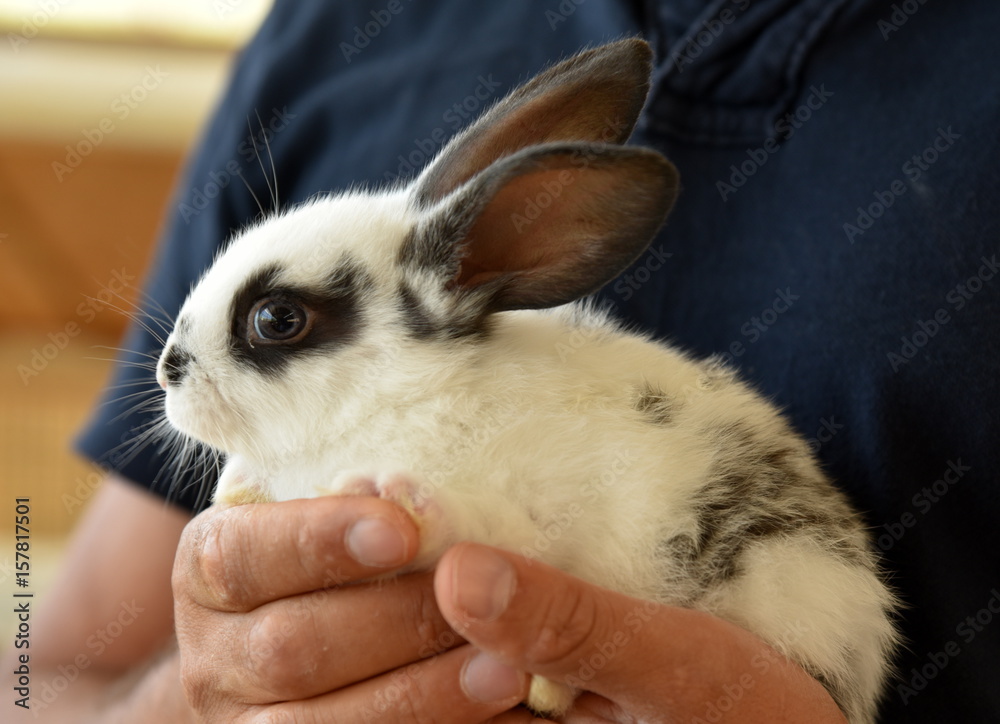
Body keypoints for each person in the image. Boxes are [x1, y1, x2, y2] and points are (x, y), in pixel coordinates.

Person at [7, 0, 998, 721]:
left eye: (276, 324)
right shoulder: (331, 29)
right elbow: (37, 678)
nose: (170, 374)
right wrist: (201, 699)